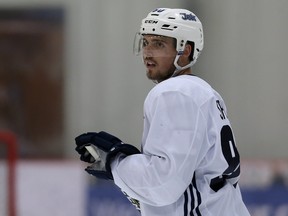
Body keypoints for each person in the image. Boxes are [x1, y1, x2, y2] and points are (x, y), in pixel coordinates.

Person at [75, 8, 251, 216]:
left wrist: (115, 162)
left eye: (159, 44)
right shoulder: (204, 93)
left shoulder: (175, 92)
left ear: (186, 50)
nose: (148, 52)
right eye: (145, 42)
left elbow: (164, 184)